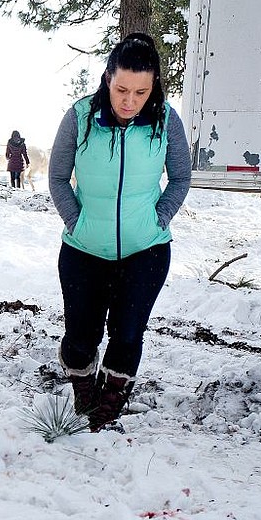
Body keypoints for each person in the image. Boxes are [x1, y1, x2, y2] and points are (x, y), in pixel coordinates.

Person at [48, 32, 191, 431]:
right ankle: (83, 383)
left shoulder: (166, 121)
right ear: (108, 77)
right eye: (122, 88)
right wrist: (78, 224)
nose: (130, 101)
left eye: (141, 92)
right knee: (80, 339)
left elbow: (180, 178)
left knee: (127, 335)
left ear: (153, 88)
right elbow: (58, 178)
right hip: (83, 251)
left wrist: (157, 221)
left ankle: (107, 407)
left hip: (145, 251)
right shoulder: (80, 117)